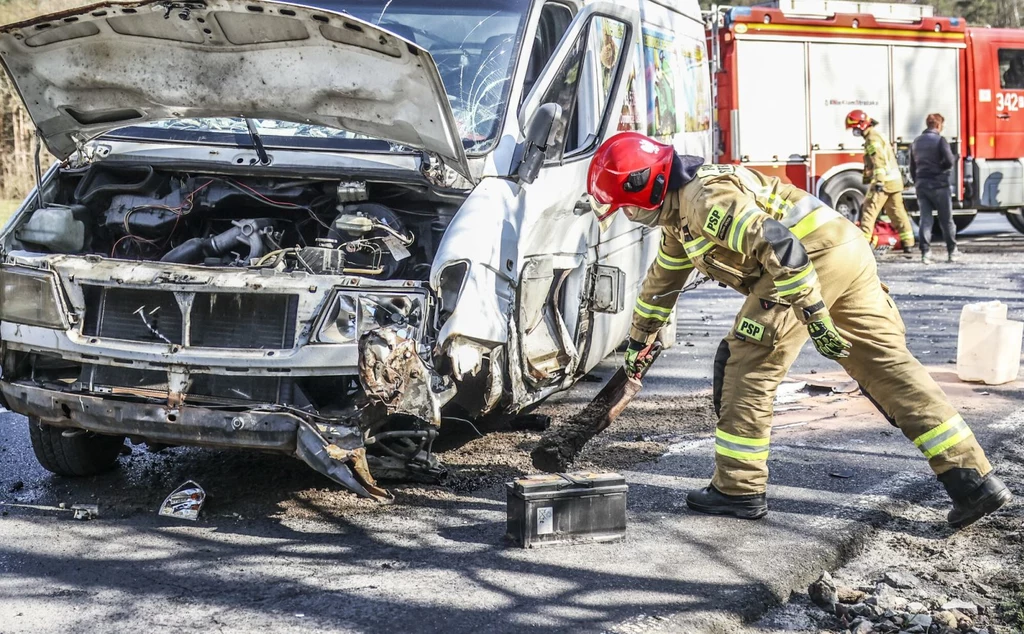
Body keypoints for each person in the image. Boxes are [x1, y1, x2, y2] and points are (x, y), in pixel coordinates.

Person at [586, 131, 1011, 528]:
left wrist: (810, 311)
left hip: (807, 262)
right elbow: (661, 282)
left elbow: (781, 246)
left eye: (627, 206)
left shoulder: (705, 199)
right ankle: (972, 481)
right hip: (845, 251)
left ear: (647, 187)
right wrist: (640, 340)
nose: (630, 216)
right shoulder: (680, 215)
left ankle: (737, 488)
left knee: (747, 362)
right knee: (887, 367)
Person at [845, 110, 916, 255]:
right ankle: (908, 243)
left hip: (884, 183)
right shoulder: (877, 135)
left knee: (868, 212)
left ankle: (863, 247)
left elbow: (879, 161)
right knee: (897, 212)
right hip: (894, 182)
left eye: (855, 128)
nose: (855, 131)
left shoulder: (872, 138)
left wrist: (878, 182)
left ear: (862, 125)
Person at [911, 113, 959, 264]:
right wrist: (943, 168)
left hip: (922, 185)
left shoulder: (916, 142)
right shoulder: (940, 140)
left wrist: (917, 180)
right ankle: (952, 252)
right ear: (938, 125)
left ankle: (926, 253)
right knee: (946, 220)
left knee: (925, 220)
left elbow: (913, 166)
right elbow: (950, 161)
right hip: (939, 185)